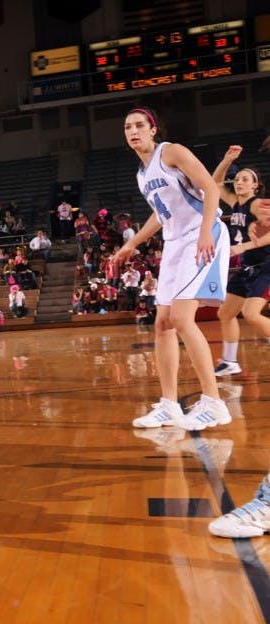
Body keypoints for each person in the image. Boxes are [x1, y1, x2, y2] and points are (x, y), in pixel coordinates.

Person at [114, 108, 231, 431]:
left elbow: (210, 187)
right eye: (127, 127)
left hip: (202, 235)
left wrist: (207, 230)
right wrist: (132, 243)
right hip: (176, 242)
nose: (133, 131)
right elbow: (160, 214)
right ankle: (169, 405)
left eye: (139, 125)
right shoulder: (141, 174)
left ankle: (214, 403)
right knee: (163, 324)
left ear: (153, 130)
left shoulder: (173, 152)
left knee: (181, 318)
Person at [210, 148, 268, 377]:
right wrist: (227, 160)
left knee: (251, 314)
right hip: (248, 267)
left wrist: (244, 246)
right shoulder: (235, 203)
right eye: (237, 178)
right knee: (226, 313)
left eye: (246, 179)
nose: (239, 182)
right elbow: (215, 183)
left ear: (255, 185)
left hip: (266, 264)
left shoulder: (258, 204)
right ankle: (230, 361)